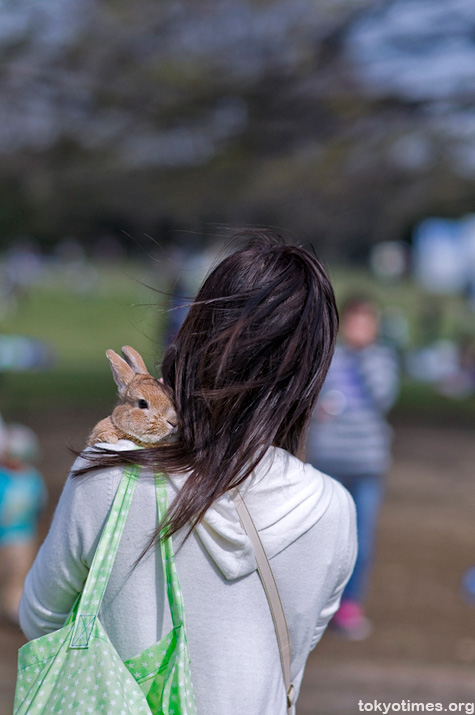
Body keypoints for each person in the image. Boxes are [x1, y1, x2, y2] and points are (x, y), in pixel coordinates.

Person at [19, 231, 357, 715]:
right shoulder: (334, 510)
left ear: (194, 336)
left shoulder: (108, 473)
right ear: (309, 372)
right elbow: (295, 655)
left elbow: (40, 619)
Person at [307, 295, 399, 640]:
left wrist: (364, 358)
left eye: (367, 321)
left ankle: (350, 606)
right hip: (329, 460)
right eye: (355, 321)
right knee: (322, 539)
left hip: (367, 464)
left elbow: (383, 396)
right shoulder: (328, 358)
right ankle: (316, 606)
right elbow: (310, 400)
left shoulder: (382, 360)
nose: (361, 328)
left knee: (361, 540)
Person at [0, 422, 47, 624]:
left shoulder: (33, 478)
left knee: (18, 574)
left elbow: (39, 505)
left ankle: (13, 607)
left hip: (23, 536)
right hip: (6, 535)